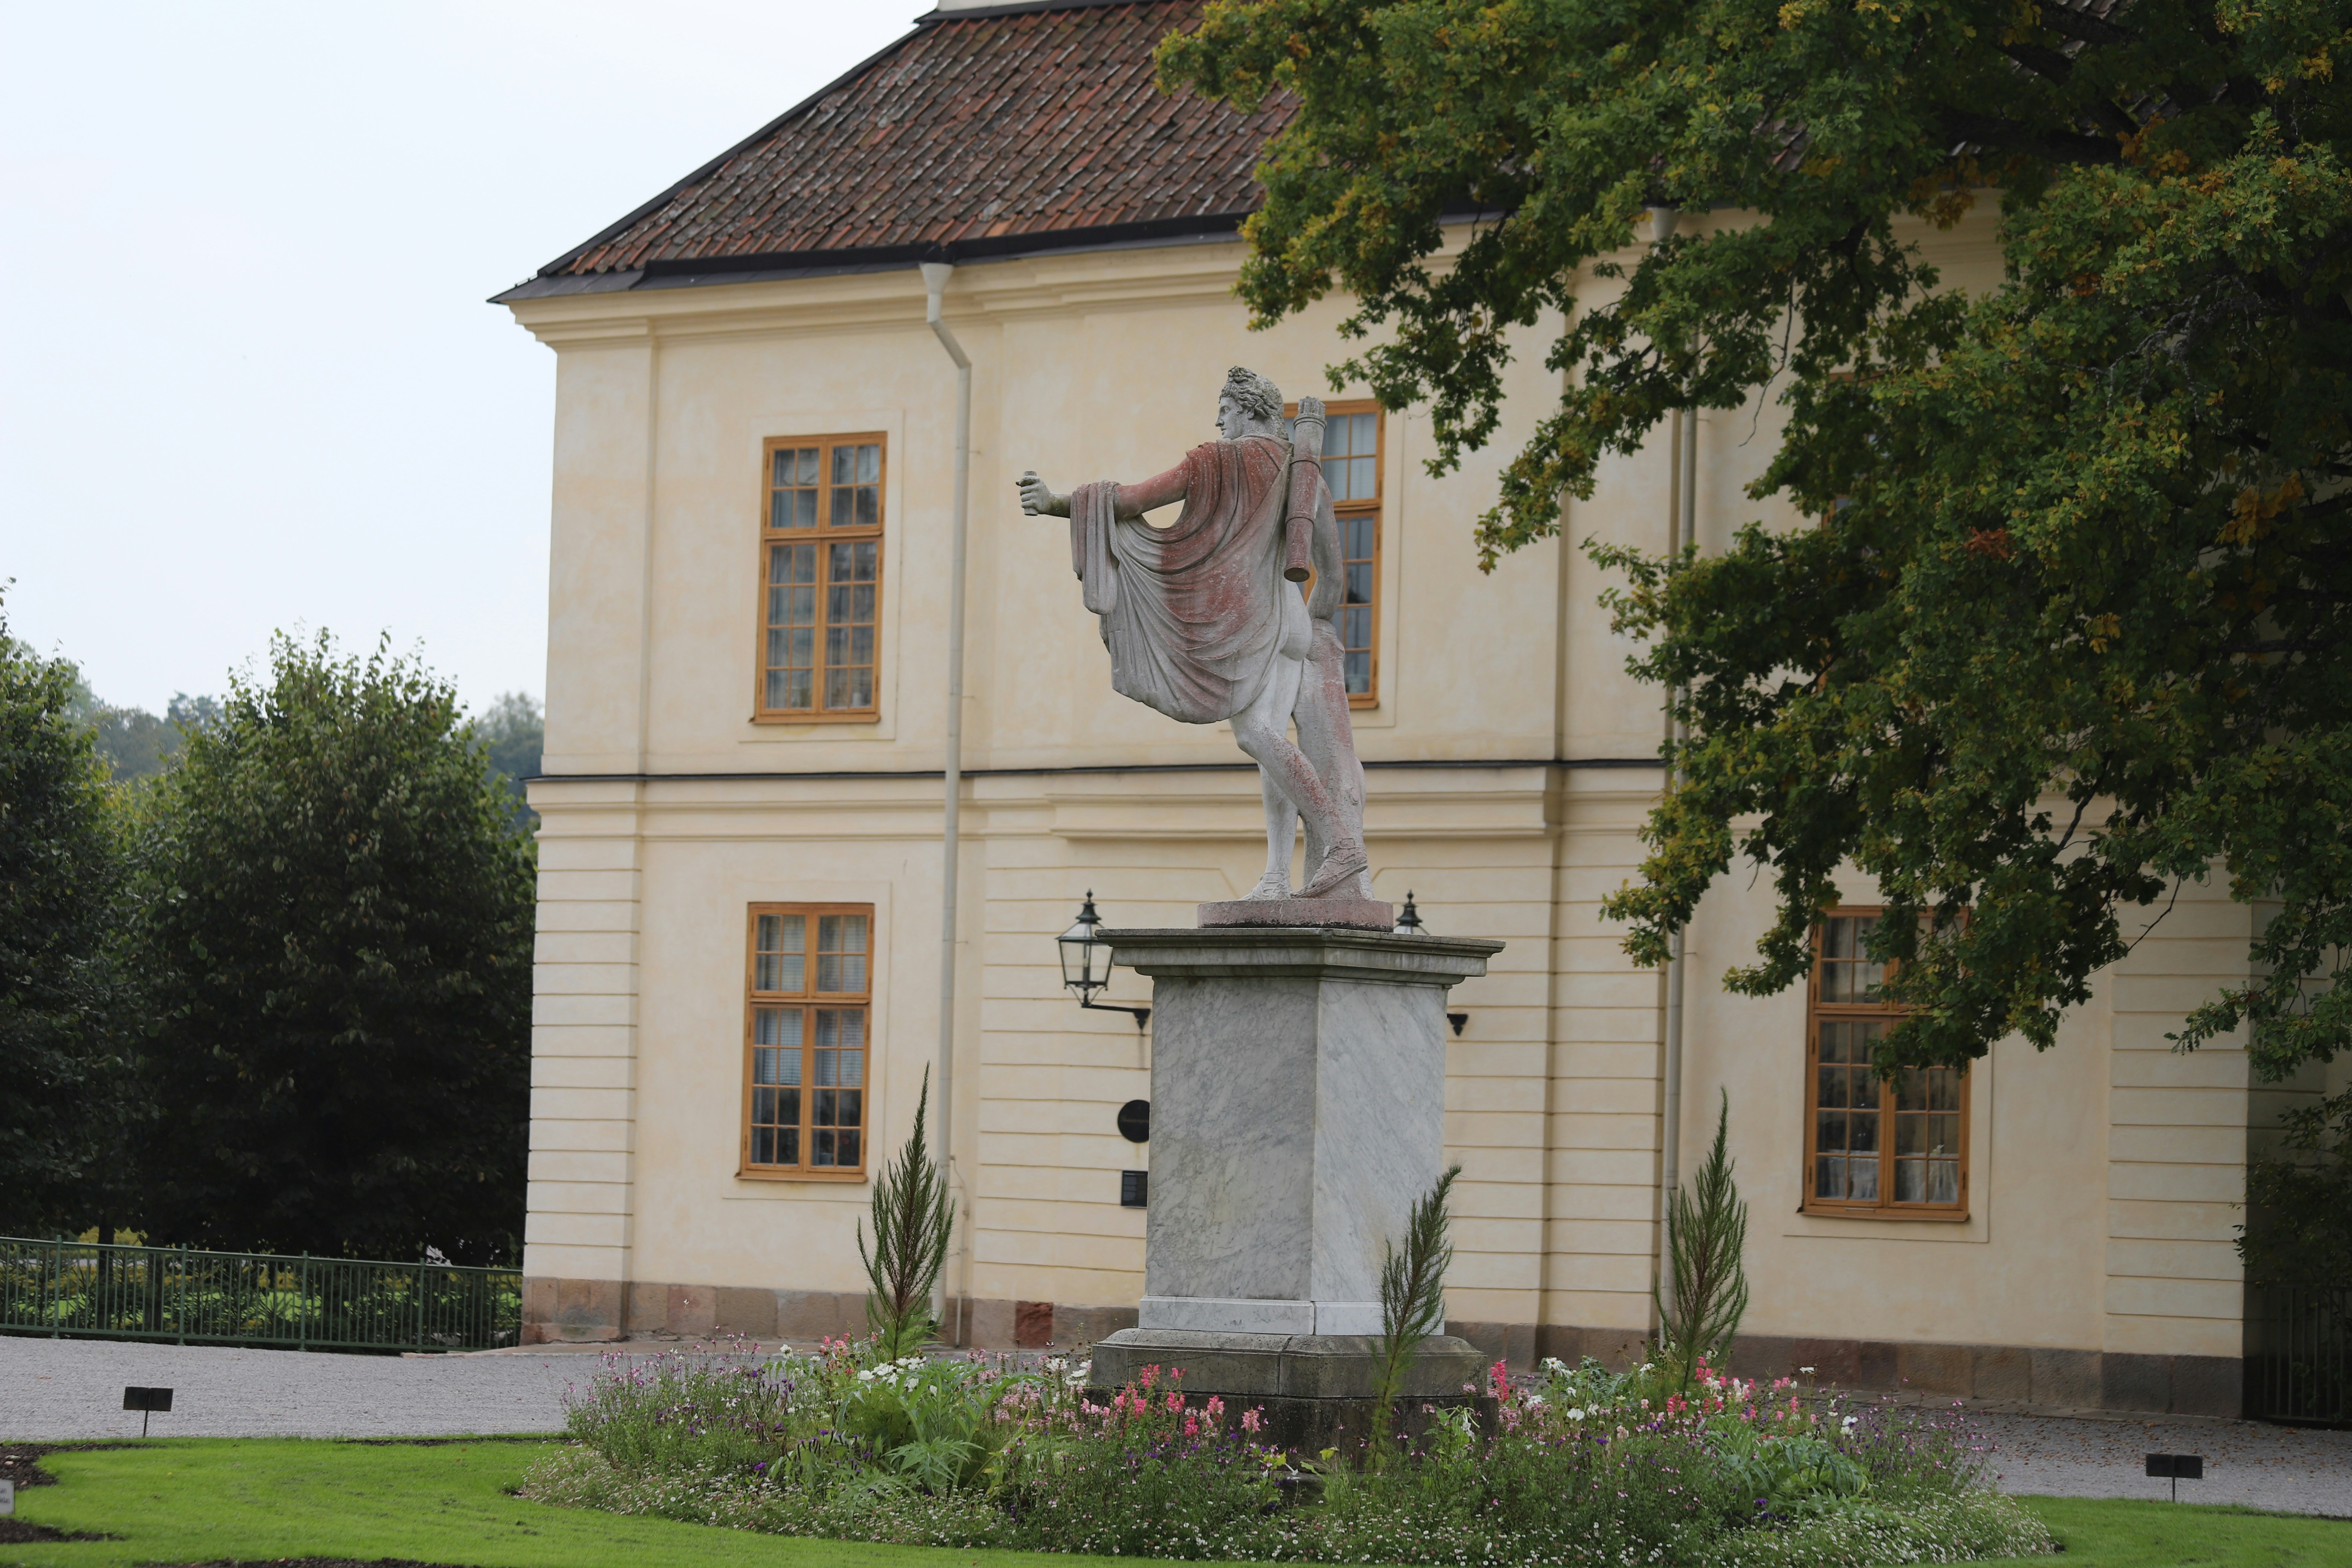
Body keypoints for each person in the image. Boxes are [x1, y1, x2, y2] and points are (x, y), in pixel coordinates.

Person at [1017, 367, 1370, 900]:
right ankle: (1277, 876)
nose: (1219, 420)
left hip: (1250, 623)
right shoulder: (1306, 474)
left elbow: (1131, 501)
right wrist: (1313, 633)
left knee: (1255, 736)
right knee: (1270, 745)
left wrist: (1056, 503)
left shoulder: (1214, 462)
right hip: (1292, 620)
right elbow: (1335, 576)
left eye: (1225, 409)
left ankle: (1339, 840)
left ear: (1249, 410)